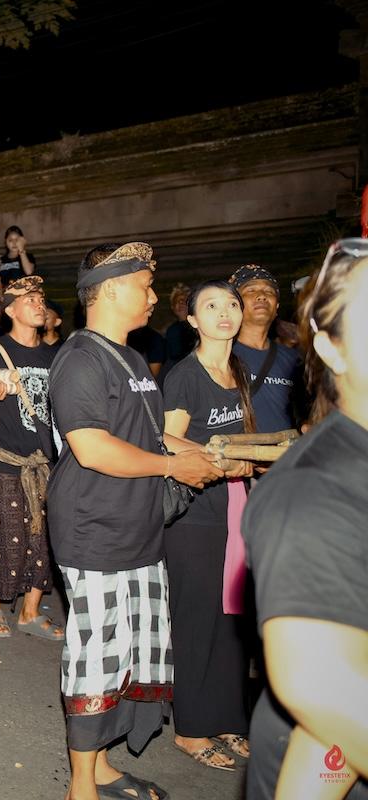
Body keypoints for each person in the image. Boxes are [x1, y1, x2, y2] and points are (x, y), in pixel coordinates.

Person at [48, 242, 223, 800]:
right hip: (95, 531)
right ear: (114, 288)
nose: (153, 297)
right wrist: (174, 464)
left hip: (139, 530)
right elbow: (94, 448)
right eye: (146, 286)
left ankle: (99, 765)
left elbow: (147, 434)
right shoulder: (80, 358)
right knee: (97, 658)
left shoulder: (127, 355)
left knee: (129, 653)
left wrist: (205, 457)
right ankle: (81, 786)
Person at [243, 239, 368, 799]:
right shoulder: (315, 495)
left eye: (270, 293)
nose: (260, 302)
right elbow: (325, 693)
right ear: (332, 348)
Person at [161, 280, 257, 772]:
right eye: (212, 306)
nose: (226, 312)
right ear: (193, 321)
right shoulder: (185, 376)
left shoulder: (237, 369)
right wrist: (217, 459)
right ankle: (191, 728)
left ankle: (227, 717)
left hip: (234, 506)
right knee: (197, 617)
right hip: (194, 512)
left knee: (231, 618)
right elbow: (165, 439)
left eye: (232, 304)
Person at [0, 276, 62, 643]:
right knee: (9, 536)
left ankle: (30, 610)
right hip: (5, 460)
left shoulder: (56, 356)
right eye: (30, 299)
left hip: (46, 462)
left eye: (41, 298)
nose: (39, 304)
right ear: (10, 310)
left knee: (45, 540)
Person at [230, 264, 303, 433]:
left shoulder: (295, 360)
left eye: (269, 291)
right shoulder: (220, 356)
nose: (262, 296)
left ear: (277, 307)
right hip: (239, 457)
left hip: (287, 457)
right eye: (250, 290)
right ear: (234, 304)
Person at [162, 283, 196, 374]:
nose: (181, 303)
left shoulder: (200, 328)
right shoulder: (171, 330)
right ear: (173, 307)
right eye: (177, 301)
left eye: (184, 300)